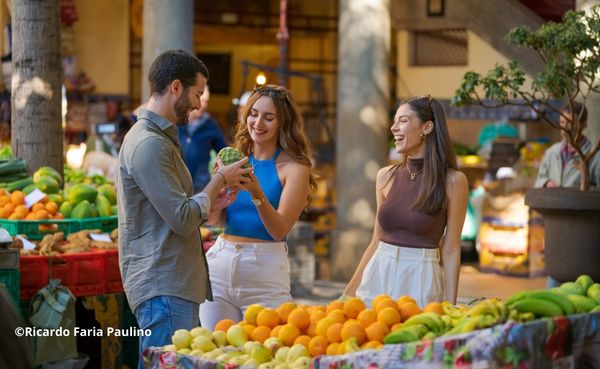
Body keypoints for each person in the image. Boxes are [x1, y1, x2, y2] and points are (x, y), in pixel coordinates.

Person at [116, 49, 251, 367]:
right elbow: (180, 218)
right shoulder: (149, 144)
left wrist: (212, 202)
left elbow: (179, 210)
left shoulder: (160, 139)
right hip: (164, 284)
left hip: (172, 282)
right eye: (196, 93)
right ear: (176, 87)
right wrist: (219, 179)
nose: (198, 103)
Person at [199, 84, 317, 330]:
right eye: (253, 113)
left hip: (264, 271)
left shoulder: (295, 168)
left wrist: (256, 192)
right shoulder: (234, 158)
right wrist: (217, 200)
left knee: (268, 354)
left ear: (283, 122)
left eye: (268, 117)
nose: (258, 122)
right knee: (216, 353)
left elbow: (279, 230)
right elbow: (215, 221)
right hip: (220, 265)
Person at [344, 95, 469, 308]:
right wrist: (348, 293)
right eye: (394, 120)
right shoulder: (385, 176)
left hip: (420, 279)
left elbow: (451, 249)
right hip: (378, 275)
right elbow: (375, 241)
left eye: (403, 120)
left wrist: (451, 306)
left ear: (427, 127)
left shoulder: (453, 181)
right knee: (371, 338)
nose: (394, 127)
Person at [534, 101, 600, 189]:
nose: (564, 129)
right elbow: (538, 181)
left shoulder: (596, 156)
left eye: (570, 123)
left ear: (584, 125)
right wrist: (546, 183)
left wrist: (582, 189)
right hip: (552, 202)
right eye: (562, 122)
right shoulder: (551, 152)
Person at [178, 85, 228, 192]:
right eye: (200, 99)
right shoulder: (176, 121)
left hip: (200, 187)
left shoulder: (211, 124)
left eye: (206, 101)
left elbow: (224, 152)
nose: (203, 105)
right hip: (176, 185)